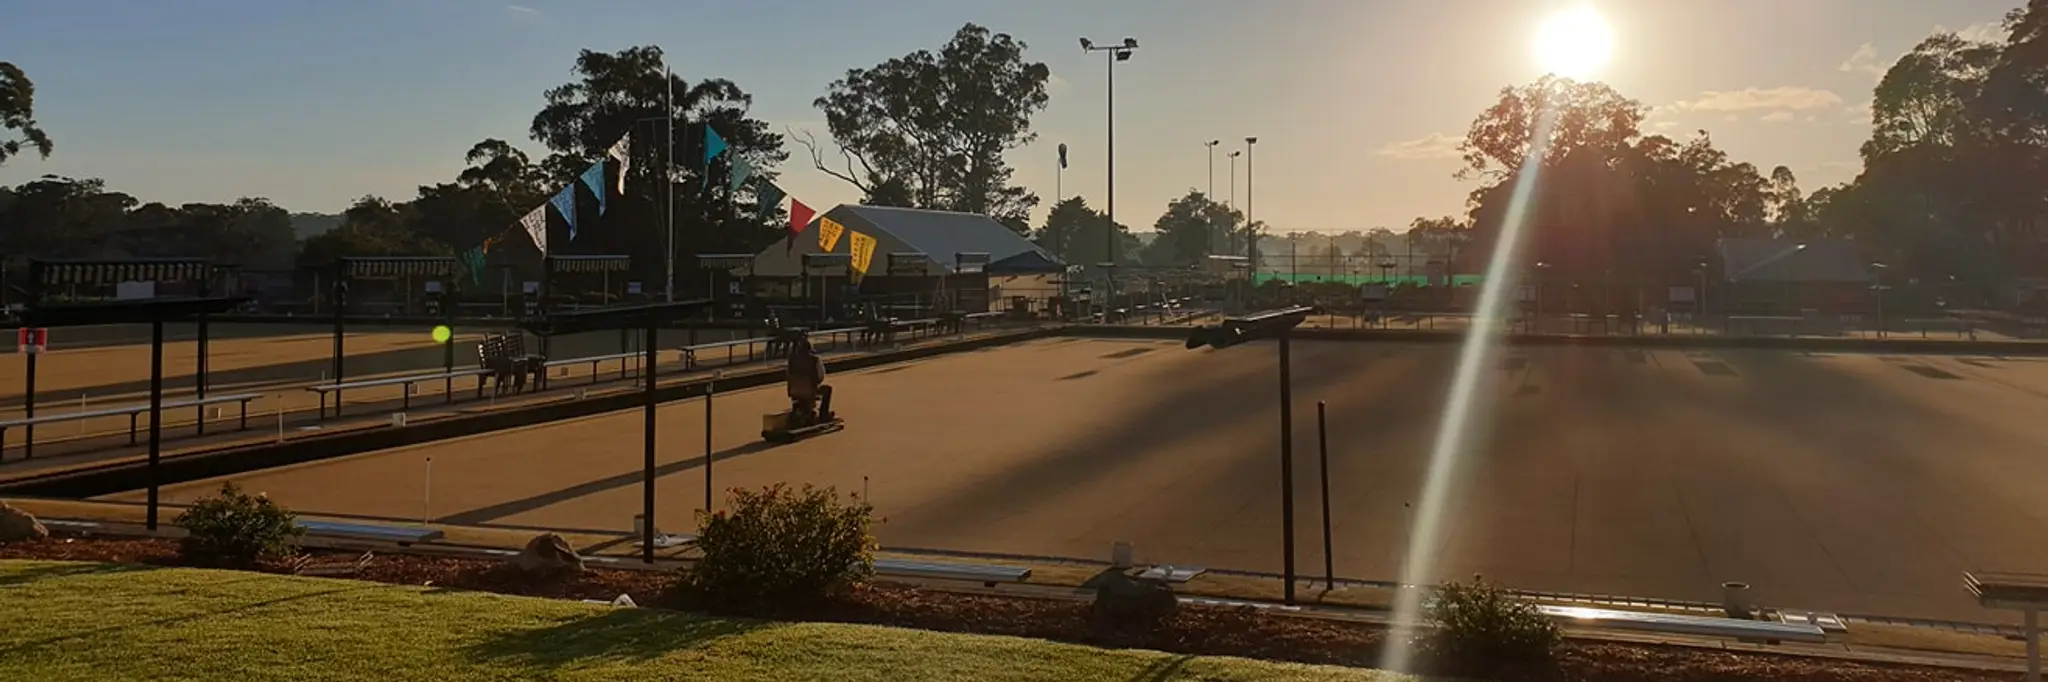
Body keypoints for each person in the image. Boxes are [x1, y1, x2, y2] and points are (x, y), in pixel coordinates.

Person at [785, 336, 833, 425]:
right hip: (811, 390)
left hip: (794, 390)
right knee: (828, 389)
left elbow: (788, 375)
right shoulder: (814, 360)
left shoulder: (791, 359)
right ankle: (824, 414)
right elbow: (820, 376)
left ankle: (800, 411)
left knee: (801, 394)